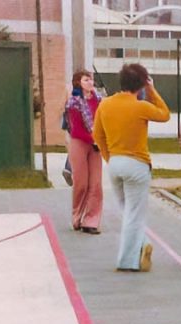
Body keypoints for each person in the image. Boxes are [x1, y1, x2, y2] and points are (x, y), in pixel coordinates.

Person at [93, 63, 170, 272]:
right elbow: (165, 114)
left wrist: (110, 157)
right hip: (136, 164)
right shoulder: (141, 106)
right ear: (142, 84)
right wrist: (153, 90)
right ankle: (127, 261)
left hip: (115, 163)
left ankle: (142, 244)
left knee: (128, 212)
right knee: (134, 214)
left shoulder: (105, 105)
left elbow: (97, 135)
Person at [66, 70, 103, 234]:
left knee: (95, 183)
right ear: (78, 83)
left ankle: (91, 221)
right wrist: (92, 138)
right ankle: (77, 216)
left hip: (96, 145)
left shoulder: (99, 100)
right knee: (81, 183)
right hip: (80, 142)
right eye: (86, 80)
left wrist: (100, 139)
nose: (90, 82)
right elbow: (76, 128)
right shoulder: (74, 102)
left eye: (91, 79)